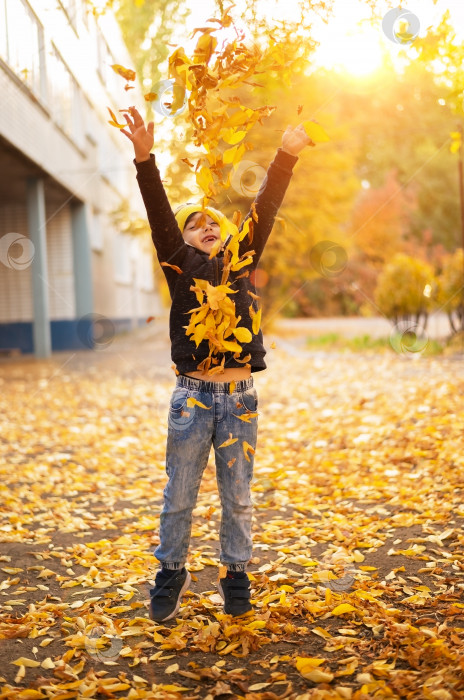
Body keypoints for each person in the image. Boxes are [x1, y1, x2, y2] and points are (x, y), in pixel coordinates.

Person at [121, 107, 313, 621]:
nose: (205, 227)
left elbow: (265, 208)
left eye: (214, 223)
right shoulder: (180, 266)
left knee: (238, 496)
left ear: (228, 236)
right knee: (179, 495)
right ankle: (171, 572)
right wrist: (145, 158)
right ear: (178, 244)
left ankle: (236, 575)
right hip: (192, 398)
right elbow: (159, 212)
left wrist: (287, 155)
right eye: (194, 224)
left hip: (239, 399)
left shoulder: (241, 263)